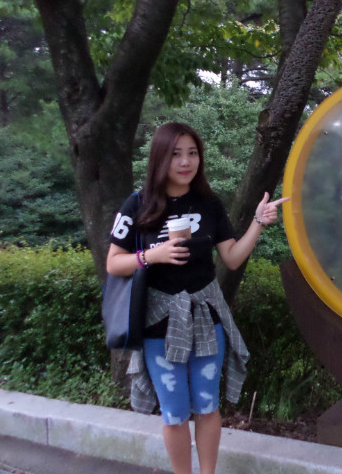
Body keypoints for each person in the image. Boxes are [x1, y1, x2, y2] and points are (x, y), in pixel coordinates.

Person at [106, 122, 289, 474]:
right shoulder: (137, 204)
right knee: (174, 413)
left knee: (207, 407)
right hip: (159, 323)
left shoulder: (209, 203)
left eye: (192, 153)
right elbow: (114, 263)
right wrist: (152, 255)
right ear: (160, 158)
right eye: (176, 154)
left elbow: (231, 258)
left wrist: (258, 223)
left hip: (206, 318)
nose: (185, 161)